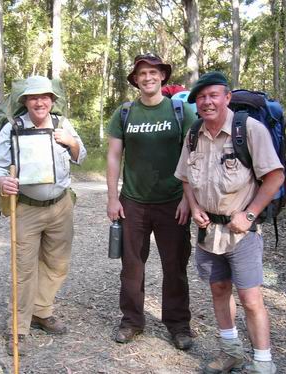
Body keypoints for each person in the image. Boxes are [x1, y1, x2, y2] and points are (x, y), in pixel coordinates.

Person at [175, 72, 283, 374]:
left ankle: (263, 364)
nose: (207, 102)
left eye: (213, 95)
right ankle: (231, 352)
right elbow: (185, 177)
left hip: (243, 233)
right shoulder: (194, 134)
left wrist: (249, 215)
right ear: (196, 102)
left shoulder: (249, 130)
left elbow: (274, 176)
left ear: (226, 97)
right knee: (219, 289)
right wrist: (195, 207)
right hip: (209, 231)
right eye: (202, 97)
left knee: (250, 298)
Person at [0, 75, 87, 355]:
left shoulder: (62, 125)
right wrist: (1, 181)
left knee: (58, 265)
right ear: (25, 102)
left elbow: (81, 156)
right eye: (34, 97)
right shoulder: (13, 128)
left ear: (52, 101)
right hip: (27, 208)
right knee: (23, 271)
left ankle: (41, 311)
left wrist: (71, 142)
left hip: (61, 205)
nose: (40, 102)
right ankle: (18, 329)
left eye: (45, 97)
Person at [106, 53, 197, 350]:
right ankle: (132, 321)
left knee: (175, 265)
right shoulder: (124, 113)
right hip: (132, 201)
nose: (148, 77)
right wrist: (111, 197)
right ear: (135, 79)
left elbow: (193, 157)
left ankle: (179, 325)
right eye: (142, 73)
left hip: (173, 201)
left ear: (162, 77)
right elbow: (113, 156)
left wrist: (188, 198)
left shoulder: (181, 111)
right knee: (131, 266)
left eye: (153, 72)